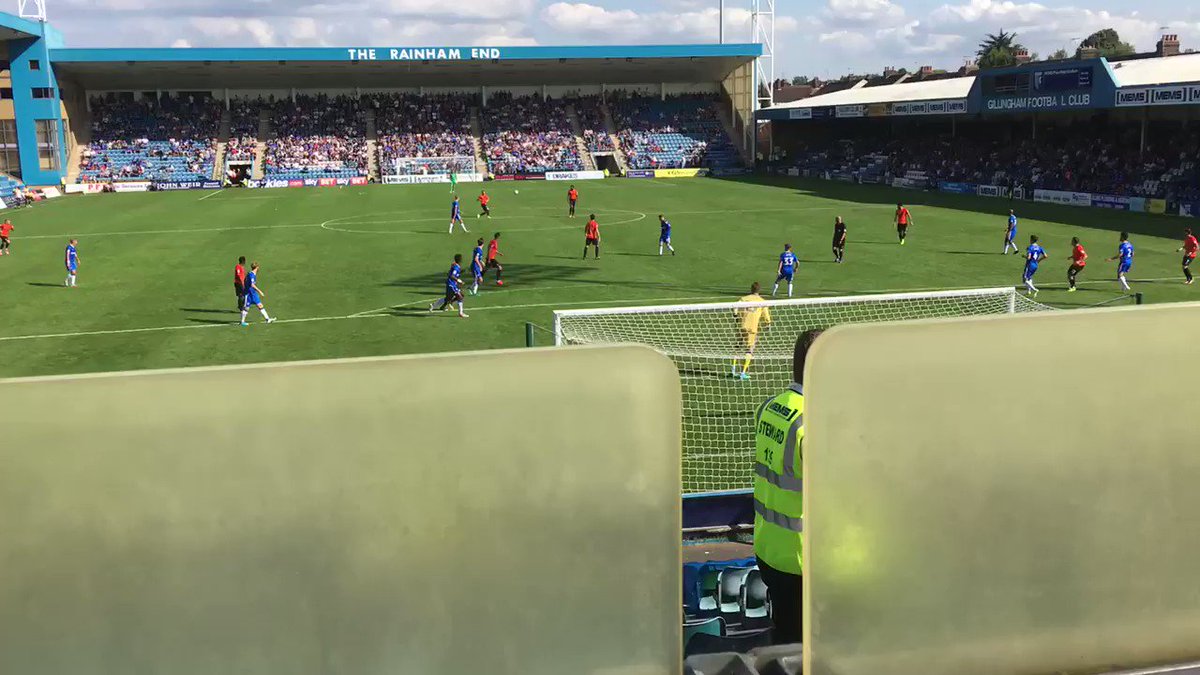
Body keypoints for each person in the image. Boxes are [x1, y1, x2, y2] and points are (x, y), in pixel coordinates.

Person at [753, 328, 821, 646]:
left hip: (769, 548)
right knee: (804, 650)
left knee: (785, 641)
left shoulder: (771, 406)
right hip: (801, 559)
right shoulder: (814, 422)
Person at [732, 282, 771, 380]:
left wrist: (736, 316)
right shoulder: (762, 301)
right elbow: (766, 316)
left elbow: (735, 307)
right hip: (752, 329)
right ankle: (743, 373)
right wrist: (768, 324)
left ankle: (732, 370)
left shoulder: (744, 299)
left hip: (741, 326)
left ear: (751, 289)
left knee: (737, 347)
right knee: (749, 349)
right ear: (759, 290)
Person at [429, 254, 468, 318]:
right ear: (460, 260)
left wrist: (461, 272)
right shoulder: (456, 267)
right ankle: (461, 313)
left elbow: (449, 273)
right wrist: (458, 280)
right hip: (451, 285)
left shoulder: (455, 266)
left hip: (450, 284)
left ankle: (433, 305)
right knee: (460, 297)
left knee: (448, 298)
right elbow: (452, 275)